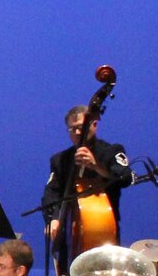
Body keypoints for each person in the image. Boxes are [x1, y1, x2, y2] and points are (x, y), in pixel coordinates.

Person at [42, 103, 137, 242]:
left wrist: (96, 166)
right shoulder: (60, 160)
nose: (77, 133)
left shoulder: (111, 151)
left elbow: (125, 178)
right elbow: (52, 192)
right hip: (69, 234)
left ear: (94, 125)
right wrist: (53, 219)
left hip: (104, 230)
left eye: (81, 127)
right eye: (72, 129)